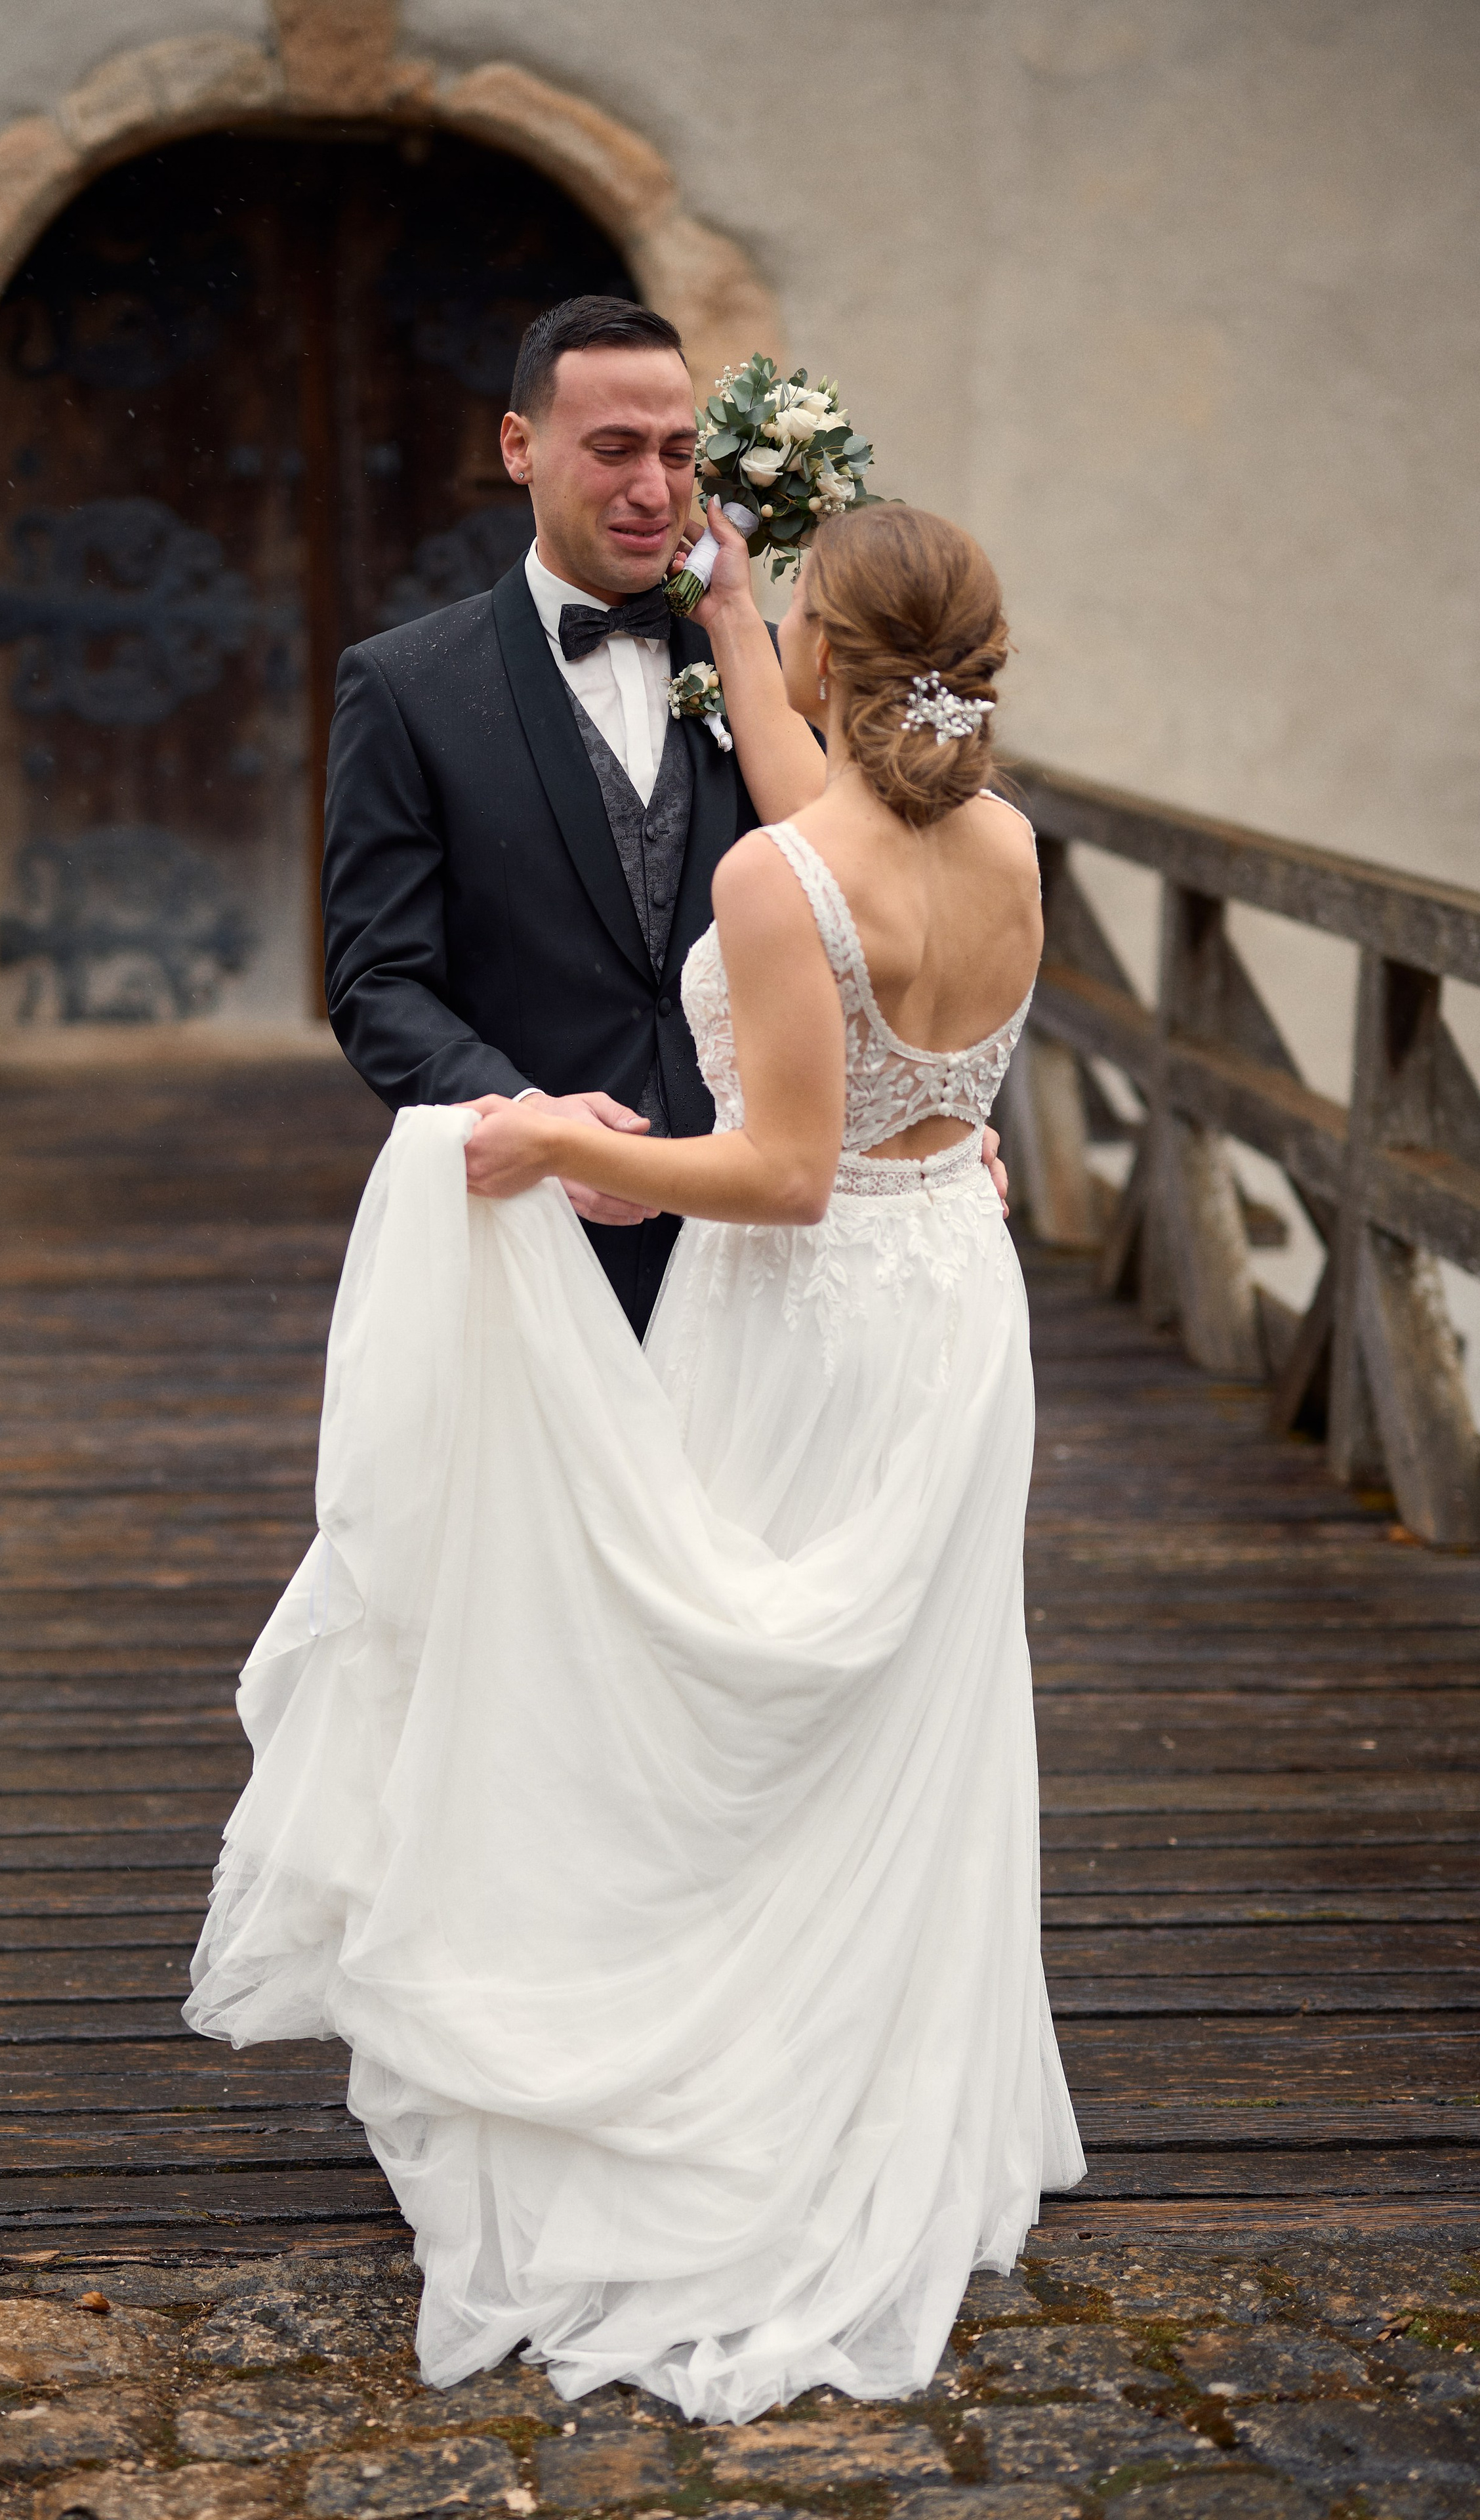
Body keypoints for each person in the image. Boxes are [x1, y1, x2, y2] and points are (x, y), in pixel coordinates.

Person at [186, 497, 1086, 2424]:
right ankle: (870, 2078)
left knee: (709, 1703)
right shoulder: (1007, 846)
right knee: (889, 1712)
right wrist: (746, 606)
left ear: (835, 668)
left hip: (802, 1323)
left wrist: (546, 1146)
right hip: (954, 1310)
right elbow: (819, 834)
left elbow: (771, 1174)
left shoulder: (774, 878)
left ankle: (711, 2100)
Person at [319, 292, 1003, 1339]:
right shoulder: (405, 687)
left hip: (775, 1248)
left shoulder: (794, 668)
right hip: (535, 1242)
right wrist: (528, 1116)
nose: (653, 488)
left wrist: (932, 1121)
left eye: (679, 453)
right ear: (520, 446)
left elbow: (897, 911)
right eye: (613, 449)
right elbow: (379, 982)